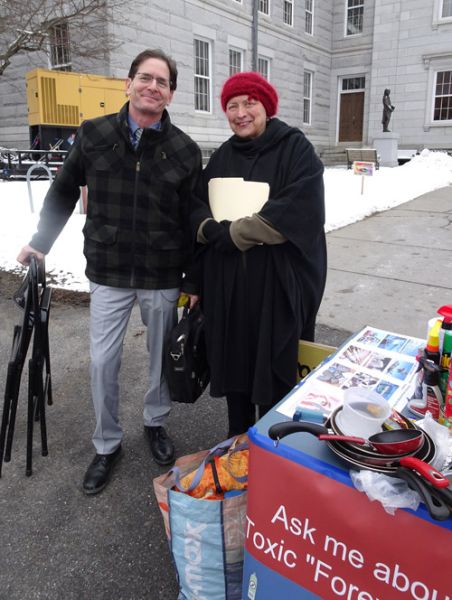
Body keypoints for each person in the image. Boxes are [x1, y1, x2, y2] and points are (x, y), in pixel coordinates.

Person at [17, 49, 202, 495]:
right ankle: (106, 443)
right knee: (103, 362)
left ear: (171, 93)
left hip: (162, 272)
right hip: (109, 267)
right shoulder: (94, 134)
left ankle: (155, 422)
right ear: (128, 83)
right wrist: (41, 242)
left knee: (161, 358)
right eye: (145, 77)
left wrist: (194, 280)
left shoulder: (184, 150)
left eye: (162, 81)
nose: (152, 86)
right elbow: (62, 192)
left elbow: (195, 217)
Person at [193, 72, 327, 436]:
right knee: (234, 363)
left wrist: (235, 232)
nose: (240, 112)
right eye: (232, 106)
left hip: (276, 287)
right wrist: (207, 227)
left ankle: (272, 444)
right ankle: (237, 440)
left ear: (266, 106)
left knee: (274, 367)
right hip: (230, 288)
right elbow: (195, 202)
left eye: (249, 102)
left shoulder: (295, 148)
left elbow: (301, 209)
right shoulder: (223, 155)